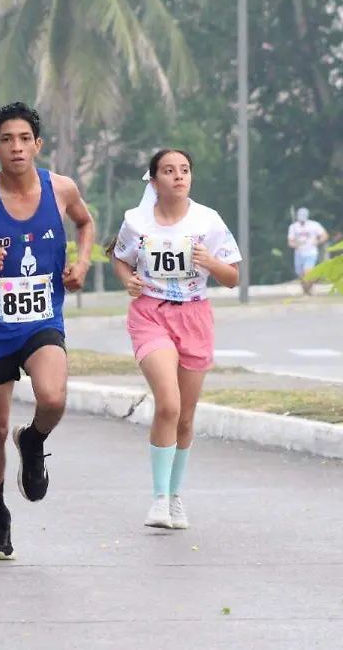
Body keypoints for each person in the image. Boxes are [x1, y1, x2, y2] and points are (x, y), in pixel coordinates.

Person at [0, 102, 95, 560]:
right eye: (6, 140)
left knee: (53, 398)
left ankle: (33, 441)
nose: (16, 147)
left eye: (24, 139)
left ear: (37, 144)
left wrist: (82, 263)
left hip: (42, 319)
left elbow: (85, 224)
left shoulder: (61, 189)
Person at [110, 149, 242, 529]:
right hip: (150, 314)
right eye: (169, 171)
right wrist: (128, 280)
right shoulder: (136, 222)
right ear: (154, 181)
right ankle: (158, 498)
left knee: (185, 414)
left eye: (184, 170)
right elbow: (120, 257)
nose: (178, 177)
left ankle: (175, 495)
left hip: (195, 316)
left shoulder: (208, 221)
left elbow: (231, 276)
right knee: (167, 403)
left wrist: (209, 261)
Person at [287, 207, 327, 295]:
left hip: (311, 252)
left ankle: (310, 288)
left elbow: (324, 235)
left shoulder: (314, 225)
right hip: (299, 253)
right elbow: (290, 242)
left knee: (308, 273)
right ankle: (307, 290)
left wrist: (317, 241)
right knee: (301, 276)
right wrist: (295, 244)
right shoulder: (293, 227)